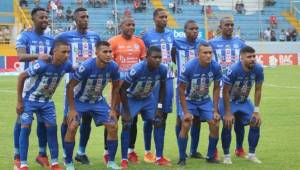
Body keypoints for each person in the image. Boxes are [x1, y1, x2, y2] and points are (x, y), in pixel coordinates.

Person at [16, 40, 73, 170]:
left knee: (52, 130)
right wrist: (19, 101)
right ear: (54, 52)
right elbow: (21, 76)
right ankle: (23, 164)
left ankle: (54, 163)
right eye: (63, 52)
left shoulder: (67, 65)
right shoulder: (42, 65)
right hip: (29, 100)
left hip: (46, 102)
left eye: (68, 52)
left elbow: (76, 70)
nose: (67, 55)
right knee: (25, 128)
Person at [64, 41, 121, 170]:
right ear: (96, 53)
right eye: (105, 52)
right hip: (79, 101)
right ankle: (68, 162)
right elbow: (70, 86)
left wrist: (112, 109)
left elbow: (116, 87)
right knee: (72, 127)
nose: (108, 55)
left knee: (113, 125)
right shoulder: (86, 66)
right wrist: (72, 109)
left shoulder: (113, 67)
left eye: (110, 52)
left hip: (97, 101)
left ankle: (111, 162)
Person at [55, 7, 101, 165]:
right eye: (82, 17)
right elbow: (56, 52)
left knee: (87, 119)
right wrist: (68, 66)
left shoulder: (95, 36)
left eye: (87, 16)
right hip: (74, 84)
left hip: (92, 84)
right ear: (75, 20)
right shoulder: (64, 36)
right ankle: (65, 153)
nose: (85, 19)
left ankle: (81, 151)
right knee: (69, 119)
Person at [14, 7, 54, 169]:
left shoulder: (51, 40)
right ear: (33, 19)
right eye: (41, 17)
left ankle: (42, 154)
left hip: (44, 86)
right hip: (27, 86)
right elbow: (21, 56)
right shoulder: (25, 36)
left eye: (46, 17)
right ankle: (17, 157)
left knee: (44, 122)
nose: (44, 20)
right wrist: (39, 56)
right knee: (23, 122)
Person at [119, 46, 169, 168]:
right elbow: (122, 89)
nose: (158, 60)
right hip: (132, 98)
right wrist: (126, 111)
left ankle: (159, 157)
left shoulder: (163, 69)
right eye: (154, 57)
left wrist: (159, 107)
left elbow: (163, 88)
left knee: (158, 121)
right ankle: (124, 159)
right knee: (127, 124)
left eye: (159, 57)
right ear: (147, 58)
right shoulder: (137, 69)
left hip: (147, 98)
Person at [106, 17, 146, 169]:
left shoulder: (139, 42)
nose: (131, 27)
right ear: (121, 26)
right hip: (117, 88)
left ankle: (130, 151)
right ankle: (107, 152)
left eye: (133, 25)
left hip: (133, 89)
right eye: (128, 24)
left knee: (132, 119)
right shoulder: (113, 41)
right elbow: (108, 62)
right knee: (112, 118)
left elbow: (143, 63)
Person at [177, 43, 222, 166]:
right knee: (186, 124)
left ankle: (210, 156)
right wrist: (186, 112)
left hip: (205, 100)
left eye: (210, 53)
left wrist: (215, 110)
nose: (208, 55)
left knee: (215, 123)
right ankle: (182, 158)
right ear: (198, 54)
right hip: (189, 100)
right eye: (205, 53)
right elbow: (181, 90)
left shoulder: (216, 67)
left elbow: (217, 88)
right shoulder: (190, 66)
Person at [209, 17, 246, 162]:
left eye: (231, 25)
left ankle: (239, 148)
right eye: (226, 25)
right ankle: (216, 149)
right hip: (221, 88)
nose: (229, 27)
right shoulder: (212, 43)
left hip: (238, 88)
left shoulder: (240, 43)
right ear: (220, 26)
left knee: (240, 119)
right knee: (221, 121)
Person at [219, 46, 264, 164]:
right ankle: (227, 156)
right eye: (249, 57)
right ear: (241, 58)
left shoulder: (258, 69)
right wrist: (228, 113)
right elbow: (225, 91)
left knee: (255, 121)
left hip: (244, 101)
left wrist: (256, 110)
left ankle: (252, 154)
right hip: (228, 101)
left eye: (254, 56)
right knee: (228, 124)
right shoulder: (233, 70)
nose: (253, 59)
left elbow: (258, 90)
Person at [142, 8, 174, 166]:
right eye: (161, 17)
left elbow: (174, 52)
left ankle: (159, 154)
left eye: (166, 17)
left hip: (167, 80)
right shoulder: (146, 36)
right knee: (150, 116)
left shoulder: (171, 35)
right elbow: (143, 57)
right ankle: (148, 151)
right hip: (152, 81)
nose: (164, 19)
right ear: (154, 19)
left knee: (163, 115)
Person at [173, 20, 207, 160]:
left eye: (197, 29)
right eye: (192, 29)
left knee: (197, 118)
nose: (195, 31)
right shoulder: (177, 43)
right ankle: (182, 152)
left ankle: (193, 150)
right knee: (182, 119)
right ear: (185, 30)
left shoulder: (202, 43)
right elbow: (173, 56)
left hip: (199, 86)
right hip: (183, 86)